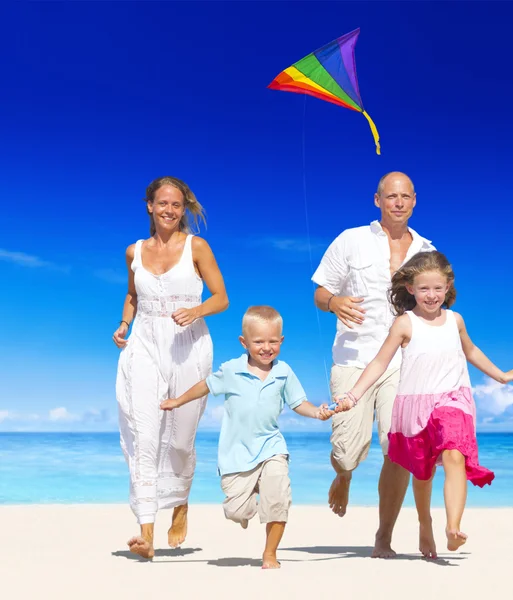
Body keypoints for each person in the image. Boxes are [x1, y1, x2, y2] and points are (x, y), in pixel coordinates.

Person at [334, 251, 513, 558]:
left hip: (454, 399)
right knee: (422, 474)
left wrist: (500, 376)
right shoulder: (404, 323)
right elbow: (379, 363)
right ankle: (426, 522)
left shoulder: (455, 320)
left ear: (448, 287)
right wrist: (353, 395)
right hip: (415, 406)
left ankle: (453, 527)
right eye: (424, 289)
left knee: (454, 454)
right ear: (410, 288)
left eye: (438, 288)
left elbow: (471, 351)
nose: (432, 295)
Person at [160, 306, 344, 569]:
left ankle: (270, 553)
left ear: (281, 341)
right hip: (235, 454)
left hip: (271, 448)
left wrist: (317, 413)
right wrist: (178, 401)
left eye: (272, 341)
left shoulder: (284, 372)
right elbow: (205, 386)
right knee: (235, 511)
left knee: (277, 500)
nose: (266, 347)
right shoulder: (232, 370)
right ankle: (250, 500)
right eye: (258, 342)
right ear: (244, 342)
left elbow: (299, 403)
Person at [311, 171, 435, 558]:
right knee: (348, 451)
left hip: (404, 363)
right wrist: (334, 303)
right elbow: (319, 292)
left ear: (414, 200)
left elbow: (435, 310)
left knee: (397, 448)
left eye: (405, 196)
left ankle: (383, 537)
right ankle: (343, 474)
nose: (398, 202)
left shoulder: (428, 252)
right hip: (353, 359)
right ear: (377, 200)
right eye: (390, 196)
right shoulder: (351, 240)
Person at [112, 176, 229, 560]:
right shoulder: (134, 251)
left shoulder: (196, 247)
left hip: (189, 346)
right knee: (144, 434)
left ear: (184, 209)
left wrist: (196, 310)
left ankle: (180, 502)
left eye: (176, 205)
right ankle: (146, 530)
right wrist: (124, 324)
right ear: (150, 205)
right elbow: (132, 294)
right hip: (144, 343)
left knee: (180, 439)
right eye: (162, 203)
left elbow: (221, 298)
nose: (169, 210)